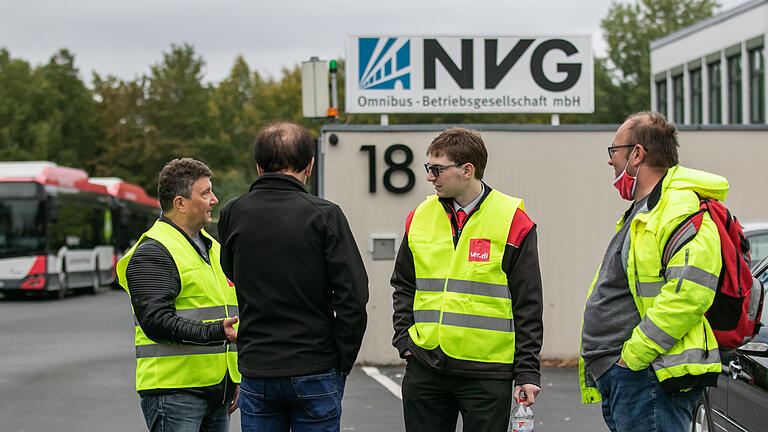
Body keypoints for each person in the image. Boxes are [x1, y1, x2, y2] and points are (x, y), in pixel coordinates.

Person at [217, 121, 369, 432]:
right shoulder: (325, 215)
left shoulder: (233, 213)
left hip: (257, 367)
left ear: (259, 166)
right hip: (315, 366)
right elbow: (354, 296)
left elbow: (231, 272)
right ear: (310, 165)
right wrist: (341, 360)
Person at [579, 112, 725, 432]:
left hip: (648, 375)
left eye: (613, 151)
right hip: (631, 376)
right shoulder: (647, 209)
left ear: (637, 154)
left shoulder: (679, 208)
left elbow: (689, 294)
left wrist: (632, 358)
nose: (609, 161)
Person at [391, 127, 544, 432]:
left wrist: (527, 372)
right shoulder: (419, 216)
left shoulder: (513, 220)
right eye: (428, 168)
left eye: (437, 169)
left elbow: (528, 302)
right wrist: (404, 342)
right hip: (426, 369)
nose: (430, 177)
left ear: (467, 170)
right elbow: (403, 284)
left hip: (487, 375)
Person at [116, 158, 240, 432]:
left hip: (218, 392)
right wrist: (216, 332)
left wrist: (236, 377)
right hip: (174, 393)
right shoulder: (153, 251)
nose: (214, 200)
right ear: (180, 203)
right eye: (205, 192)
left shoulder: (215, 249)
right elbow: (156, 322)